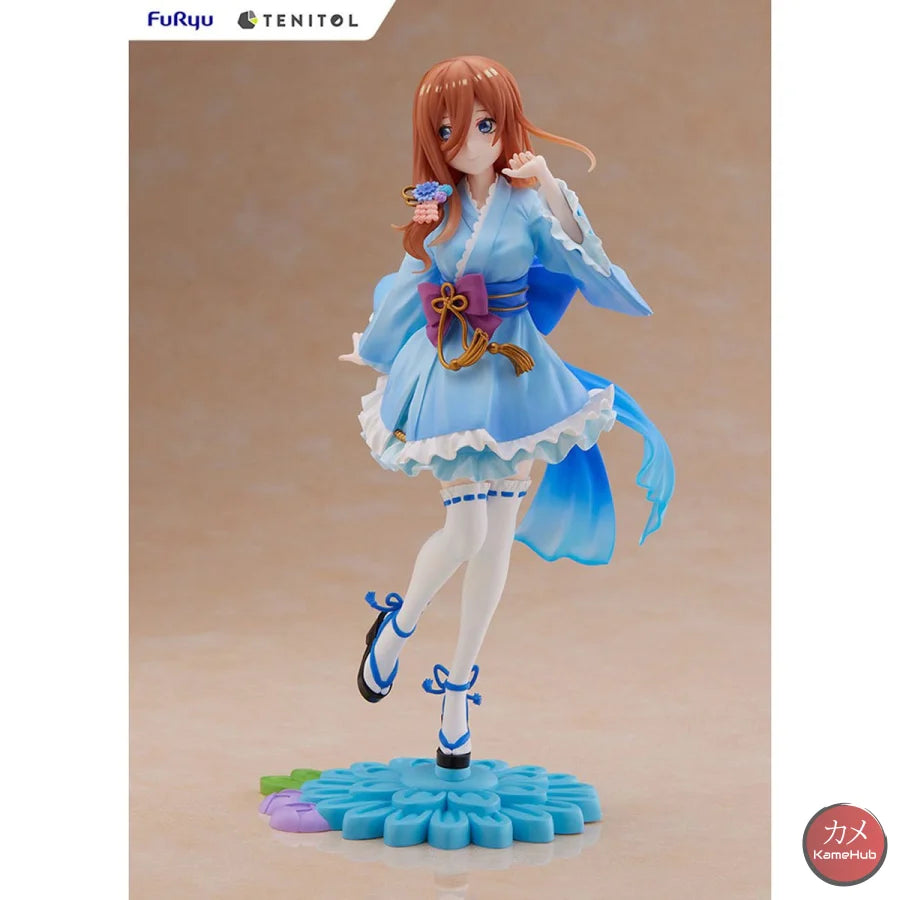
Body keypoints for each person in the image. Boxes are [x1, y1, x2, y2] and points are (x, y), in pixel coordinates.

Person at [340, 55, 674, 771]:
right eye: (450, 130)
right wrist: (373, 345)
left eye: (485, 124)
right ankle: (399, 624)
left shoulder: (527, 203)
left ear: (506, 125)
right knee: (467, 528)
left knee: (495, 539)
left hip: (517, 374)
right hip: (453, 373)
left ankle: (457, 690)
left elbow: (586, 267)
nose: (470, 142)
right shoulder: (436, 204)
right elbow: (411, 278)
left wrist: (550, 187)